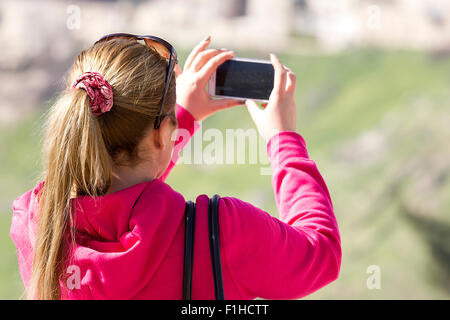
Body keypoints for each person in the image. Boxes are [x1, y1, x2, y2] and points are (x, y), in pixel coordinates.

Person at [10, 34, 341, 300]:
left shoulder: (36, 225)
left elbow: (121, 192)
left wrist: (176, 120)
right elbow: (321, 254)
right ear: (162, 135)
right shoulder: (220, 232)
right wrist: (283, 140)